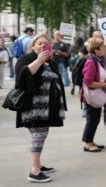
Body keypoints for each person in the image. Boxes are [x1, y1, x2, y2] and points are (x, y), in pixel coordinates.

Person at [15, 34, 67, 183]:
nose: (43, 46)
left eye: (46, 44)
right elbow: (22, 77)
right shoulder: (26, 59)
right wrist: (38, 60)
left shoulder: (50, 62)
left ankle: (38, 164)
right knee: (38, 136)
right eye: (39, 44)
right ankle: (34, 171)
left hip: (47, 107)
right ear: (33, 46)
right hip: (33, 106)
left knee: (41, 135)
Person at [80, 37, 106, 153]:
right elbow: (88, 82)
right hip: (91, 96)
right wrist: (104, 85)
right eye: (102, 46)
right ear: (96, 50)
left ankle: (90, 141)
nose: (105, 48)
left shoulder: (99, 60)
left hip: (97, 95)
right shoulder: (91, 62)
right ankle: (87, 143)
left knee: (95, 119)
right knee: (92, 120)